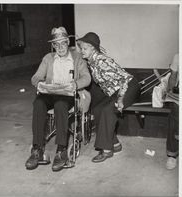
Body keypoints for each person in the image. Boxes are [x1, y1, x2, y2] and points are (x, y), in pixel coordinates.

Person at [25, 27, 91, 171]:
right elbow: (35, 77)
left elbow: (87, 77)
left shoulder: (77, 58)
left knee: (60, 105)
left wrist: (75, 84)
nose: (60, 47)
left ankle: (61, 151)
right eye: (57, 44)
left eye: (63, 43)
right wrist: (39, 83)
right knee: (38, 103)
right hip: (50, 92)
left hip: (67, 94)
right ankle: (37, 149)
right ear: (53, 46)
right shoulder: (48, 58)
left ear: (68, 42)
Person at [77, 32, 141, 163]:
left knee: (108, 110)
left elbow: (124, 80)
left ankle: (107, 150)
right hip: (116, 91)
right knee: (98, 109)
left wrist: (120, 99)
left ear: (93, 48)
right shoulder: (92, 62)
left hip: (129, 87)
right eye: (81, 48)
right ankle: (115, 144)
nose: (81, 51)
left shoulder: (101, 60)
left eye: (84, 48)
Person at [165, 53, 179, 170]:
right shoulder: (178, 56)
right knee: (175, 112)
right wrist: (169, 91)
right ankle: (172, 154)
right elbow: (173, 77)